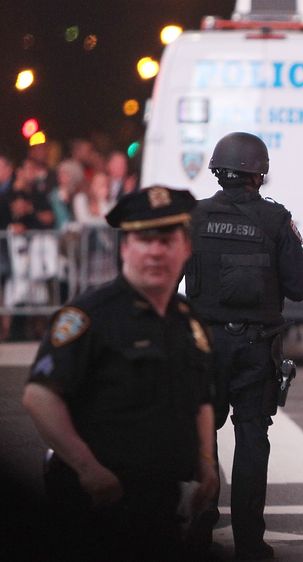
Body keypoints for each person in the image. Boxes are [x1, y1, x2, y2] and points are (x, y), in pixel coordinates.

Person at [21, 186, 218, 561]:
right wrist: (88, 469)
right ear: (125, 248)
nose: (156, 251)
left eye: (167, 239)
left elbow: (202, 399)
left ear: (185, 249)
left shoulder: (188, 321)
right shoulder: (89, 316)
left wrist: (207, 464)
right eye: (144, 239)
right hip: (94, 501)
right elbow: (39, 396)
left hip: (162, 501)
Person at [185, 131, 303, 560]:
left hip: (204, 346)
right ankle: (248, 543)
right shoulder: (275, 220)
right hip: (256, 348)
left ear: (218, 171)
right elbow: (300, 286)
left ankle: (199, 531)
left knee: (203, 437)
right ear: (260, 174)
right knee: (252, 440)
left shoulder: (195, 217)